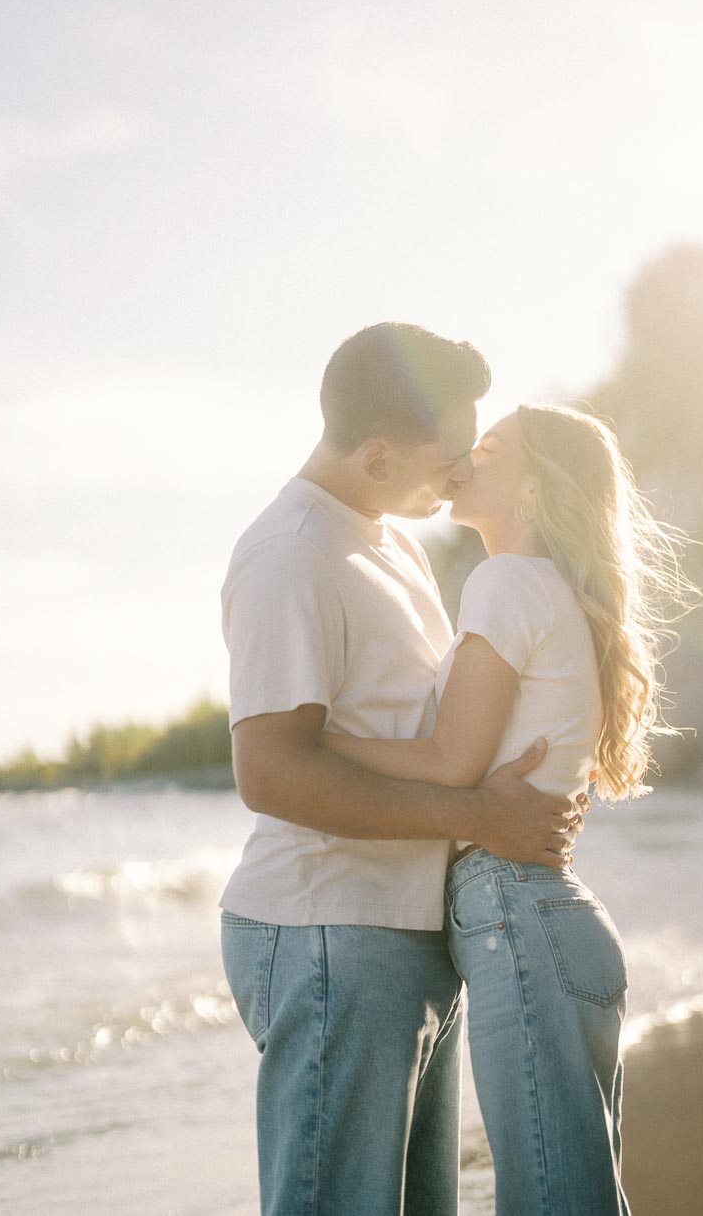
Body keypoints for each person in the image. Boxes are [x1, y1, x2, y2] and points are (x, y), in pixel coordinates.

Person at [219, 325, 582, 1216]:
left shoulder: (392, 542)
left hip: (405, 933)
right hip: (330, 934)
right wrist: (484, 817)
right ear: (377, 456)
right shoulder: (289, 555)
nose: (460, 474)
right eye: (446, 459)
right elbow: (271, 774)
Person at [322, 403, 698, 1216]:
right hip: (553, 921)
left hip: (520, 920)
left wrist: (318, 742)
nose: (463, 457)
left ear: (532, 489)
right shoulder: (555, 590)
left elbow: (450, 763)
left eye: (487, 449)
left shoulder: (504, 581)